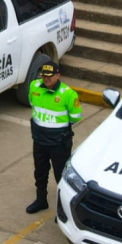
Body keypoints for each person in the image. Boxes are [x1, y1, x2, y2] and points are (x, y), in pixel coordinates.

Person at [26, 60, 82, 214]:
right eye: (44, 76)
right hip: (39, 140)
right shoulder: (34, 86)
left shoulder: (68, 94)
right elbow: (32, 103)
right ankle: (41, 200)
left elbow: (76, 117)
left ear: (58, 75)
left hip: (58, 143)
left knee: (61, 176)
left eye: (50, 76)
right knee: (40, 172)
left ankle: (63, 208)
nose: (46, 79)